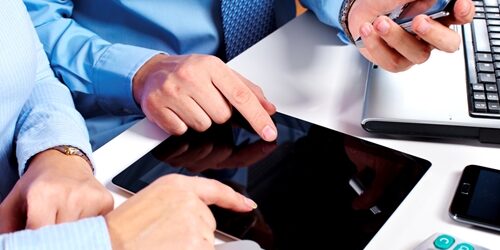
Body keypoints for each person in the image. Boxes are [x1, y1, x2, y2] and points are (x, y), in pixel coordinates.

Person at [24, 0, 475, 150]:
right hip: (133, 127)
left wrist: (351, 6)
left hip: (287, 101)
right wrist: (140, 72)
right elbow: (25, 21)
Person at [0, 0, 257, 249]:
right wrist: (106, 239)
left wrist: (58, 151)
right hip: (128, 130)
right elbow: (39, 22)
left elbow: (25, 59)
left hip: (248, 111)